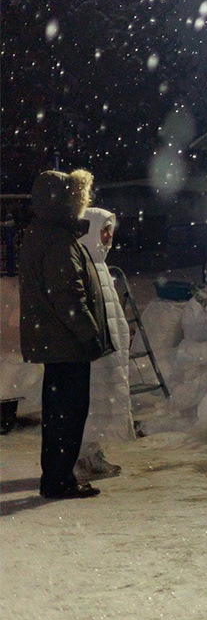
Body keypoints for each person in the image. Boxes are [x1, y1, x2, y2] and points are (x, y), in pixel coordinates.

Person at [19, 169, 113, 500]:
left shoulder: (41, 233)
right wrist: (89, 334)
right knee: (67, 415)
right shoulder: (57, 240)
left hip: (56, 342)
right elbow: (67, 296)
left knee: (59, 414)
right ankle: (59, 480)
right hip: (66, 344)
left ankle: (56, 476)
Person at [75, 208, 133, 479]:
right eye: (103, 229)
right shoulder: (83, 263)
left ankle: (91, 452)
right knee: (90, 405)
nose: (108, 236)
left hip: (104, 348)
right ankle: (84, 456)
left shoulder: (99, 265)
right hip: (93, 350)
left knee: (99, 406)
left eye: (110, 230)